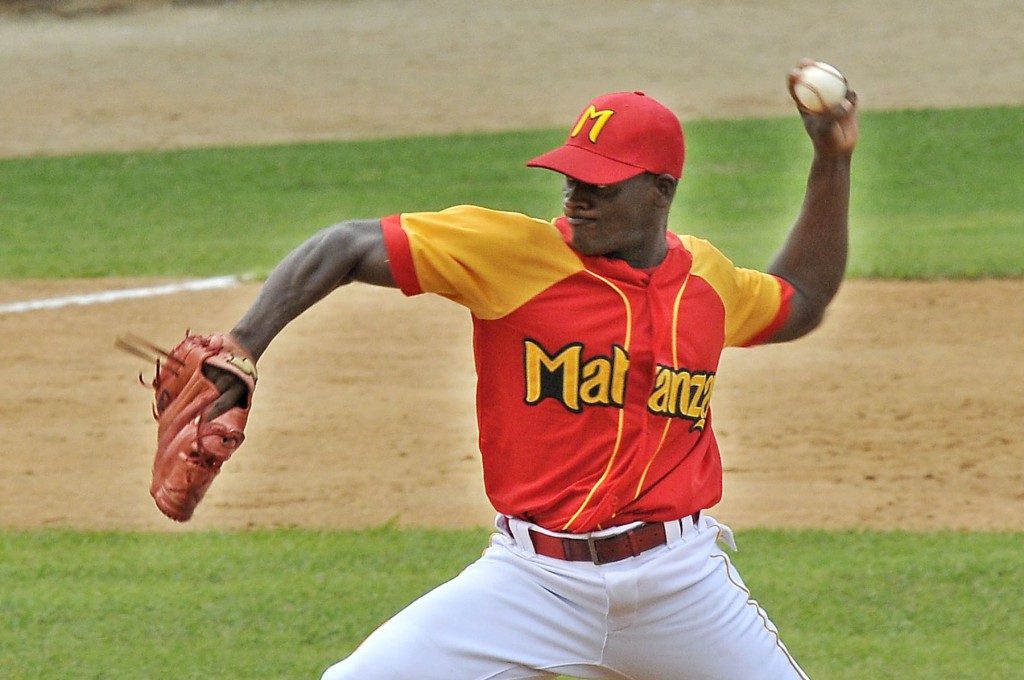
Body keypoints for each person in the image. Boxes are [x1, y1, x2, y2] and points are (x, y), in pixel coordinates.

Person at [215, 73, 858, 679]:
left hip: (679, 585)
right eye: (572, 178)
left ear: (661, 190)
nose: (577, 197)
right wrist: (243, 347)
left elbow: (800, 296)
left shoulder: (706, 282)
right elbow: (347, 246)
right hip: (533, 581)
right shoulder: (515, 255)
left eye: (601, 184)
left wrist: (832, 158)